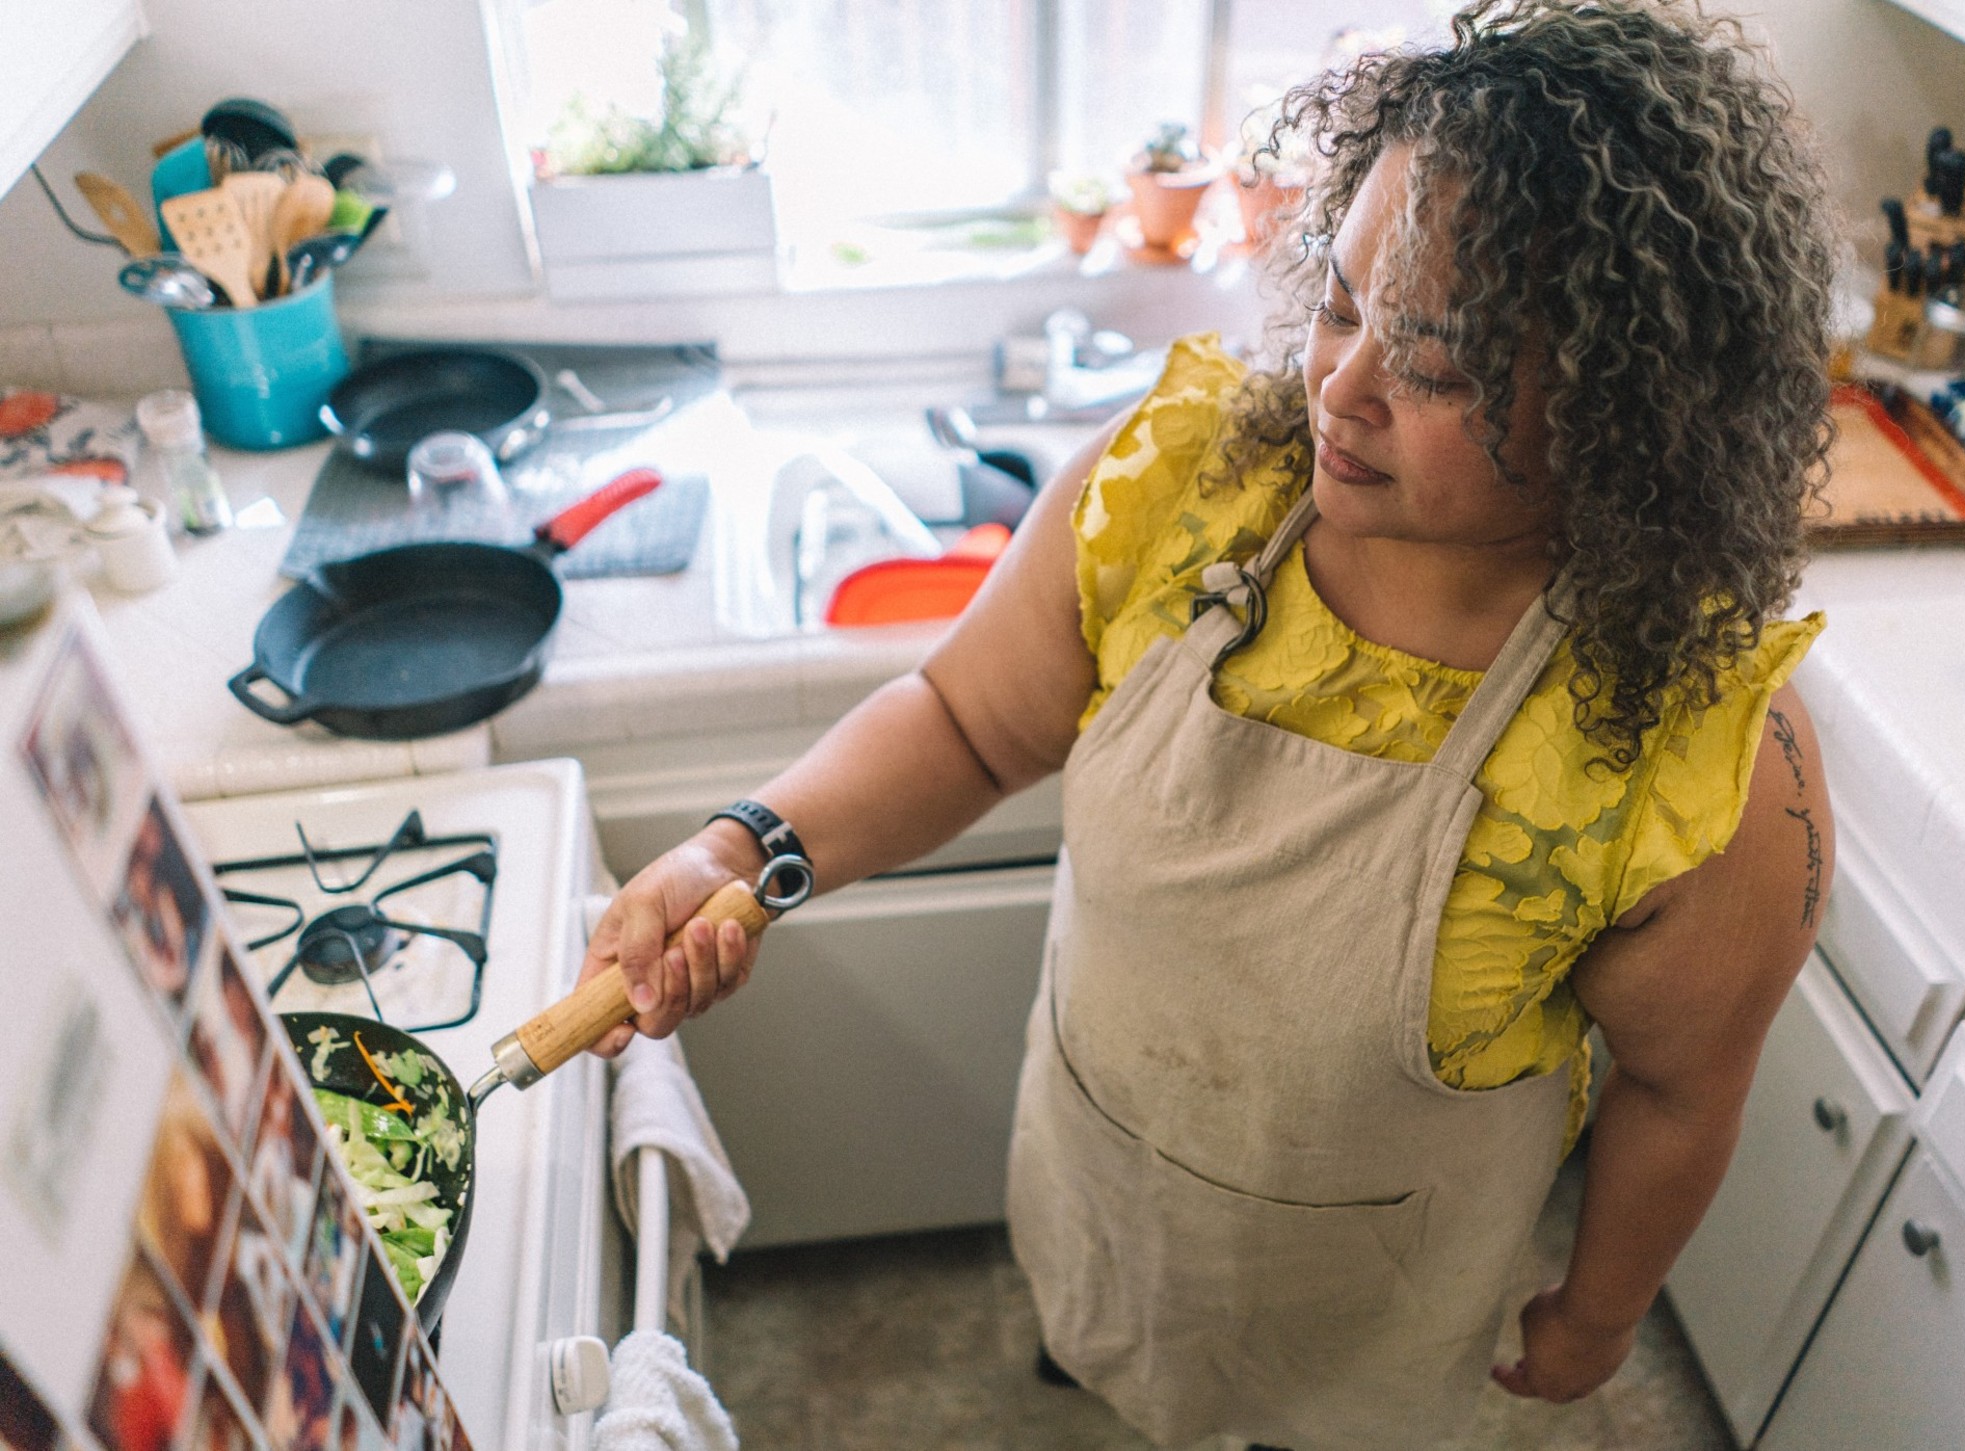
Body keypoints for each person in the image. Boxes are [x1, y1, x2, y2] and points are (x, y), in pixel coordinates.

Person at [580, 2, 1837, 1445]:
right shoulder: (1183, 487)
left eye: (1435, 367)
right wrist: (743, 851)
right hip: (1105, 1174)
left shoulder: (1691, 749)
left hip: (1372, 1305)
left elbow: (1680, 1095)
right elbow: (965, 722)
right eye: (1345, 304)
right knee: (1100, 1342)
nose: (1340, 388)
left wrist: (1602, 1310)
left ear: (1631, 404)